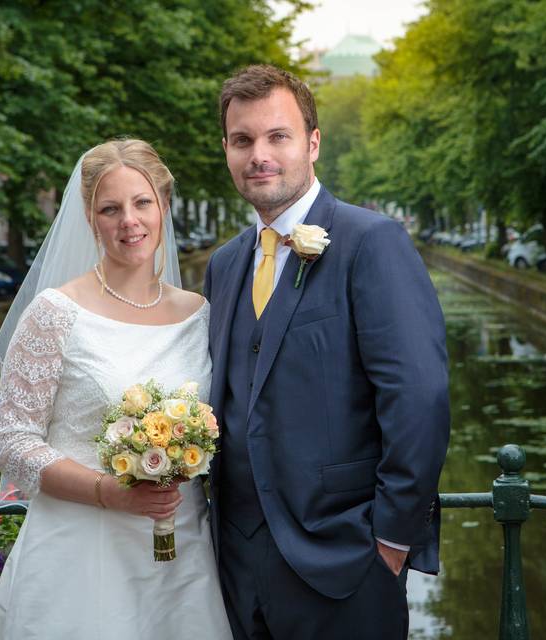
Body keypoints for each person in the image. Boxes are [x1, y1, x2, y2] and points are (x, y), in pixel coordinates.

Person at [204, 64, 450, 640]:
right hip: (235, 565)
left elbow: (419, 398)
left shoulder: (372, 242)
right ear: (227, 150)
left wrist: (389, 542)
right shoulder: (225, 264)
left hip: (345, 564)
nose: (258, 154)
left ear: (313, 143)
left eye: (277, 136)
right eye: (242, 141)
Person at [0, 139, 232, 639]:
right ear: (90, 218)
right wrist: (108, 492)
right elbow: (11, 440)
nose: (129, 221)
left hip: (181, 551)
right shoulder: (55, 313)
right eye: (110, 209)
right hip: (81, 549)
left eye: (142, 203)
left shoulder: (200, 313)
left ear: (163, 206)